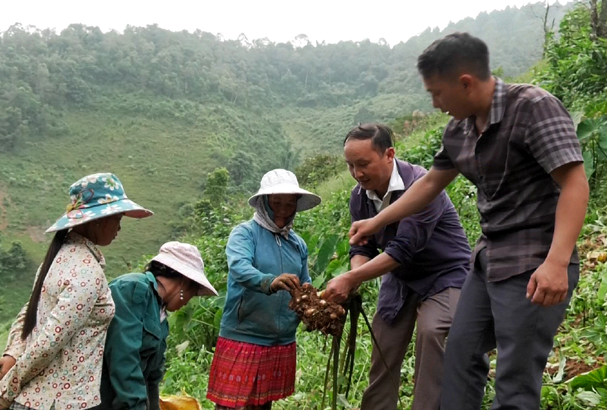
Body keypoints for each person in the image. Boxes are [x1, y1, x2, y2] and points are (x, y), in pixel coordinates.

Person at [348, 32, 589, 410]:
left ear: (465, 82)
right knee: (459, 355)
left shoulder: (532, 106)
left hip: (533, 260)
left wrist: (557, 262)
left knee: (515, 377)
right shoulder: (459, 130)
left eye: (437, 93)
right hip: (487, 260)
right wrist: (377, 221)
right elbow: (430, 183)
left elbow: (574, 183)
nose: (434, 103)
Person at [322, 123, 470, 410]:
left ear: (389, 154)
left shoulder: (422, 186)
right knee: (383, 344)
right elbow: (362, 245)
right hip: (401, 280)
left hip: (446, 274)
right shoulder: (359, 196)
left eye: (363, 164)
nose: (357, 173)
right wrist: (354, 277)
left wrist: (351, 277)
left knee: (432, 332)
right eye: (350, 166)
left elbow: (402, 249)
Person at [0, 173, 153, 410]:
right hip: (62, 401)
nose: (120, 227)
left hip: (37, 399)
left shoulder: (56, 259)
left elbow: (29, 313)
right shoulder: (86, 272)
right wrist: (6, 391)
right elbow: (50, 341)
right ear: (98, 220)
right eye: (117, 217)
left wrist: (13, 353)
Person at [206, 169, 321, 410]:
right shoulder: (245, 234)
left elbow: (304, 281)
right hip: (245, 336)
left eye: (289, 203)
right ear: (263, 202)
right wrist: (269, 281)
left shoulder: (297, 243)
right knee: (233, 406)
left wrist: (314, 301)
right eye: (276, 202)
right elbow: (239, 267)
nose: (283, 208)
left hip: (280, 339)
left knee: (262, 405)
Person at [92, 241, 218, 410]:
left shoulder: (160, 317)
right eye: (192, 293)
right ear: (184, 283)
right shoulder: (133, 290)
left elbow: (151, 378)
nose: (188, 301)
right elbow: (124, 360)